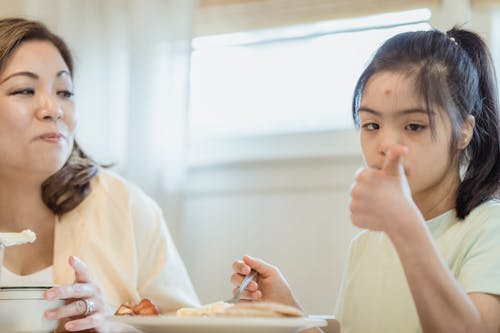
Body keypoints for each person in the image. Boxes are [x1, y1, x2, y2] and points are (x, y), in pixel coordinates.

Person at [231, 27, 500, 332]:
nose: (385, 144)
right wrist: (289, 313)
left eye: (413, 126)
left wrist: (403, 225)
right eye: (371, 124)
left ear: (464, 131)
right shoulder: (365, 245)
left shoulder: (489, 229)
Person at [0, 17, 199, 332]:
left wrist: (111, 328)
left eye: (65, 91)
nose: (53, 109)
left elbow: (187, 327)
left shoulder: (128, 208)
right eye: (25, 90)